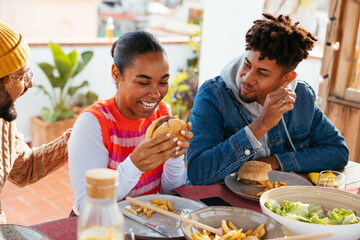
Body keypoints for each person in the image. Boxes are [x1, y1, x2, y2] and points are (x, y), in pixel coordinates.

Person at [187, 13, 349, 185]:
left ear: (287, 79)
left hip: (277, 202)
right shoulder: (213, 95)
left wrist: (276, 161)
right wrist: (261, 125)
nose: (247, 78)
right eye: (247, 64)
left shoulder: (301, 97)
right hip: (220, 204)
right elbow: (198, 172)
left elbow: (338, 151)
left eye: (262, 73)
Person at [68, 30, 191, 215]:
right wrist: (134, 166)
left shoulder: (163, 114)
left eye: (163, 82)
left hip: (148, 225)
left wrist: (175, 156)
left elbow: (170, 193)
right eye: (143, 83)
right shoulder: (94, 123)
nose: (156, 93)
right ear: (117, 74)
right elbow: (87, 206)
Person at [0, 21, 70, 223]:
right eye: (21, 76)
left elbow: (26, 168)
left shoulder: (4, 120)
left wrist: (75, 138)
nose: (30, 83)